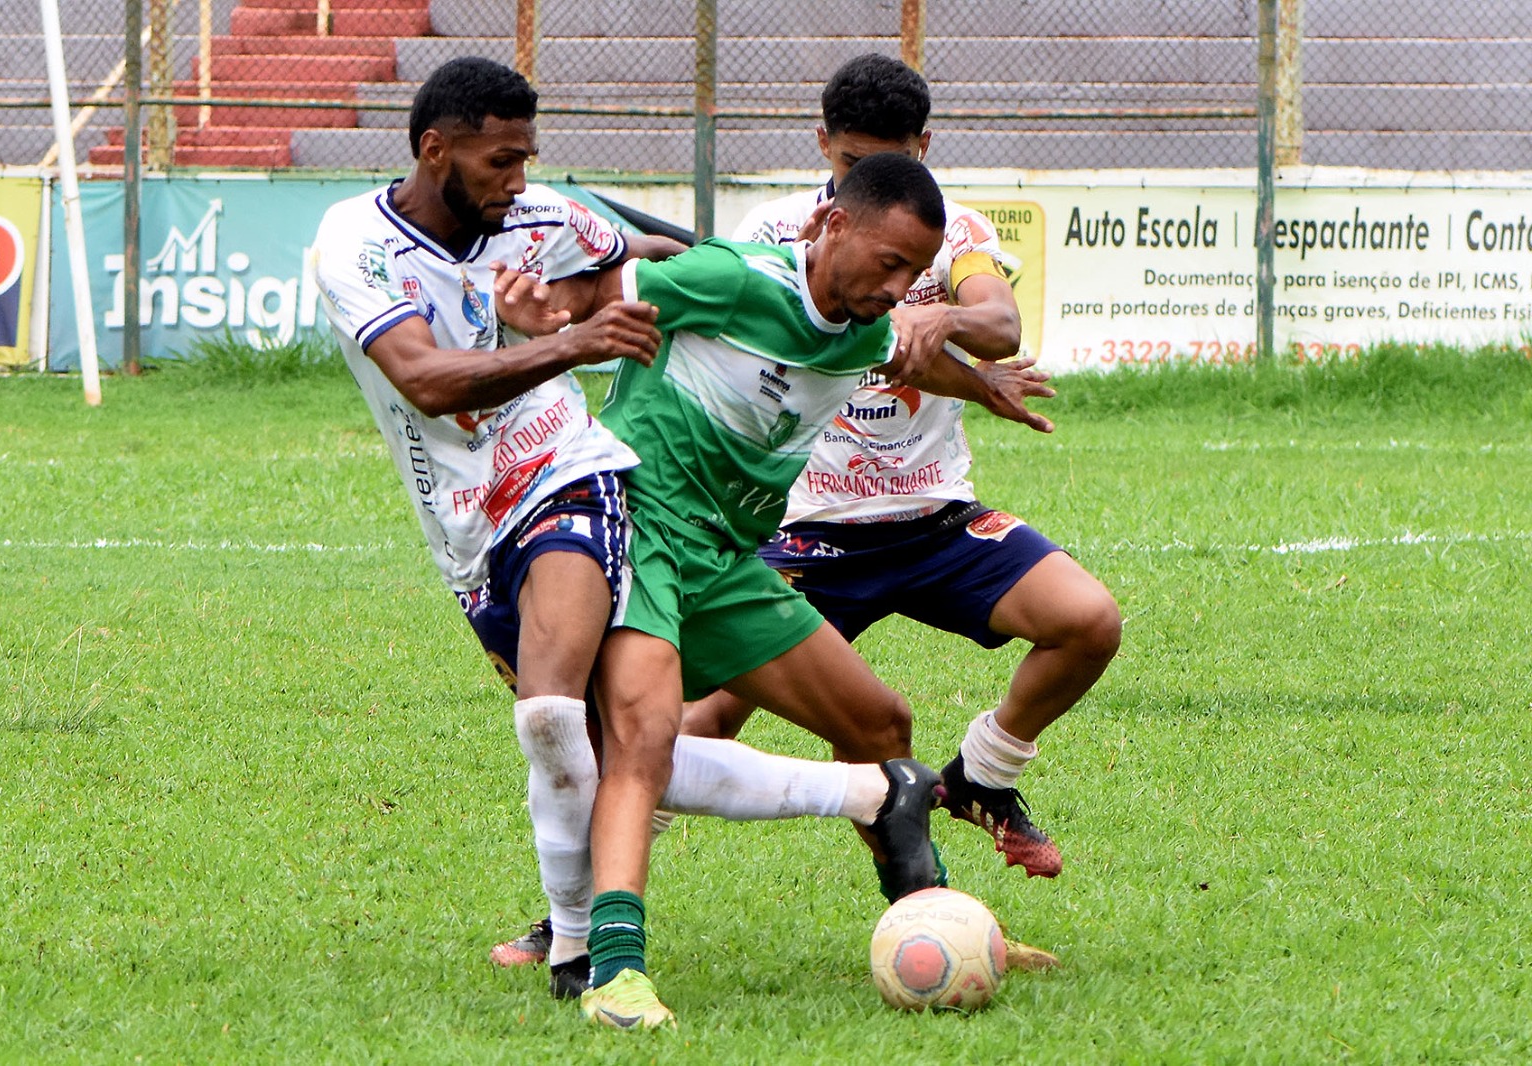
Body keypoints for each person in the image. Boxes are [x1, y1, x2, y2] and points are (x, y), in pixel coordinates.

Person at [312, 56, 942, 1010]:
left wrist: (986, 369)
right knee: (609, 742)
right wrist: (557, 327)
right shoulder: (357, 240)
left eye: (528, 159)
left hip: (608, 495)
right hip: (489, 520)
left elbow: (629, 253)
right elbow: (441, 376)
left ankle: (913, 924)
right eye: (501, 161)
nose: (519, 180)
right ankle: (589, 933)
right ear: (435, 148)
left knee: (855, 726)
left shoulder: (847, 318)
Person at [566, 152, 1057, 1029]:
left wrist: (984, 388)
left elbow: (903, 360)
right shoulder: (732, 279)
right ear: (832, 226)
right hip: (640, 528)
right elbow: (596, 294)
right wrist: (520, 332)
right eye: (889, 263)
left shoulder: (867, 326)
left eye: (917, 272)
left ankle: (936, 919)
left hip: (727, 558)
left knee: (878, 725)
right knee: (645, 734)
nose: (900, 287)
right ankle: (612, 970)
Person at [689, 52, 1123, 884]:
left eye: (900, 159)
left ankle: (983, 777)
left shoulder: (949, 228)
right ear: (823, 146)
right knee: (698, 720)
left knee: (1088, 620)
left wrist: (944, 312)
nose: (883, 179)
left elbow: (997, 321)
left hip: (934, 520)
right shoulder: (775, 233)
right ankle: (580, 915)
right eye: (857, 164)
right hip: (807, 533)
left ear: (926, 145)